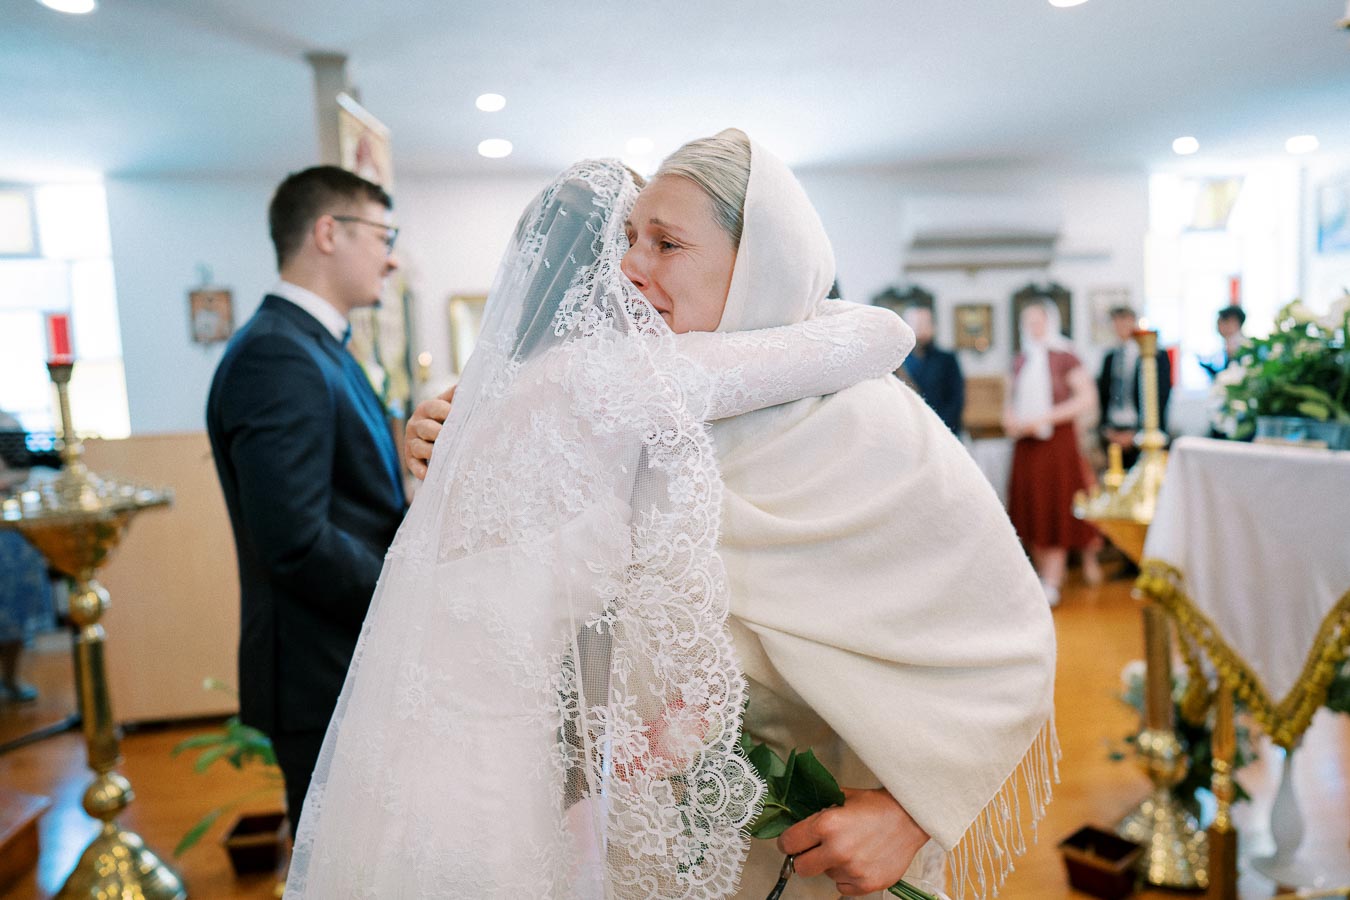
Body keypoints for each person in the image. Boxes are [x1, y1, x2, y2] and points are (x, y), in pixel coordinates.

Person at [316, 135, 1056, 900]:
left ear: (755, 263)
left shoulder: (871, 425)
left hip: (814, 845)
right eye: (629, 241)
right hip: (643, 844)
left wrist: (908, 813)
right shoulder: (627, 419)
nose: (629, 269)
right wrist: (458, 449)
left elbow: (1006, 646)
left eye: (665, 244)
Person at [205, 165, 407, 833]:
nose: (392, 255)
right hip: (323, 668)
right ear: (328, 232)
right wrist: (411, 589)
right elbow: (294, 539)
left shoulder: (316, 346)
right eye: (382, 234)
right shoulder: (278, 355)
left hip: (342, 656)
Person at [1004, 301, 1099, 607]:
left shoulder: (1065, 357)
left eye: (1039, 321)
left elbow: (1085, 399)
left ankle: (1053, 580)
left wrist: (1045, 418)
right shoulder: (1021, 359)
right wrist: (1011, 420)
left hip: (1056, 444)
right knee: (1032, 507)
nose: (1034, 327)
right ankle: (1039, 576)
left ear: (1050, 322)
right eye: (1028, 322)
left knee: (1054, 506)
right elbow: (1010, 399)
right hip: (1027, 445)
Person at [1096, 305, 1171, 468]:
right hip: (1114, 431)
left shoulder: (1155, 355)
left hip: (1141, 430)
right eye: (1116, 322)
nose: (1120, 326)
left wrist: (1137, 433)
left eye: (1124, 321)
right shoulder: (1110, 357)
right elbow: (1103, 396)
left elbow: (1161, 396)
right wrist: (1106, 430)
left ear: (1133, 322)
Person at [900, 304, 965, 435]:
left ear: (933, 326)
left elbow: (956, 399)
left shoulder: (947, 359)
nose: (919, 330)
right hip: (909, 432)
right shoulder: (898, 362)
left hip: (944, 430)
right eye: (915, 324)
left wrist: (939, 427)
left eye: (924, 324)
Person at [1199, 304, 1246, 379]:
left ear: (1233, 321)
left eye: (1220, 323)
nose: (1217, 328)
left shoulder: (1242, 345)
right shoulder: (1230, 343)